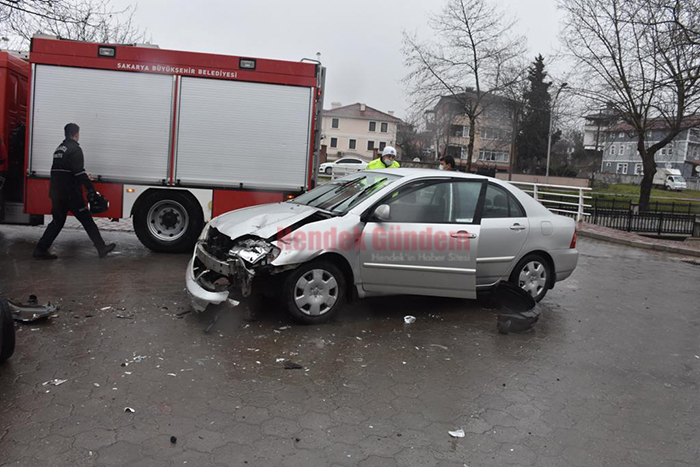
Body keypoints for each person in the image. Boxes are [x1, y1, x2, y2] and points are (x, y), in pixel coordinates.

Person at [34, 123, 116, 260]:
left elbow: (63, 171)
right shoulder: (75, 149)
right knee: (87, 220)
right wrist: (91, 188)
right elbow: (79, 172)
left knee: (57, 221)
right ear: (76, 134)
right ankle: (101, 248)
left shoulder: (59, 150)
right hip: (70, 193)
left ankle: (40, 249)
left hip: (57, 192)